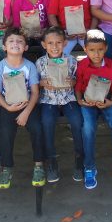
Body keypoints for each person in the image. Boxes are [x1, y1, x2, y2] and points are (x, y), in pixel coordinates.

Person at [75, 29, 112, 189]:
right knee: (88, 128)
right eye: (92, 50)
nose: (96, 54)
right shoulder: (82, 65)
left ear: (106, 48)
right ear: (85, 49)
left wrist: (111, 102)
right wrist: (80, 100)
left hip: (107, 101)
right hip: (88, 103)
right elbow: (78, 85)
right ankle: (89, 167)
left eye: (100, 49)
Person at [0, 27, 45, 189]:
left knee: (37, 128)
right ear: (4, 46)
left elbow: (35, 92)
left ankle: (39, 165)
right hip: (8, 106)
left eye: (20, 41)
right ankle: (6, 167)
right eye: (11, 41)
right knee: (5, 132)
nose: (15, 44)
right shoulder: (0, 67)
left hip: (28, 105)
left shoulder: (30, 66)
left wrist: (26, 112)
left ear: (26, 47)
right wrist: (8, 108)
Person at [35, 26, 83, 183]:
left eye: (58, 43)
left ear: (65, 43)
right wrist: (42, 83)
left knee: (77, 121)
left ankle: (79, 159)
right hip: (48, 100)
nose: (54, 47)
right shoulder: (40, 62)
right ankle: (51, 161)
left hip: (68, 99)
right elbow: (34, 83)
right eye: (50, 43)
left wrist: (73, 82)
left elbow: (78, 80)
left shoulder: (71, 61)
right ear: (44, 45)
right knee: (46, 122)